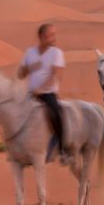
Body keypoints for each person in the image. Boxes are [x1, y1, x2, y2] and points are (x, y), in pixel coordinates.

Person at [18, 23, 67, 164]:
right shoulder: (29, 53)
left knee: (57, 115)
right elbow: (20, 74)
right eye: (50, 35)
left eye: (54, 35)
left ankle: (62, 149)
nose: (53, 38)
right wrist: (29, 67)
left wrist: (41, 89)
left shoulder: (56, 53)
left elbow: (56, 75)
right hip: (30, 94)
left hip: (48, 93)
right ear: (41, 37)